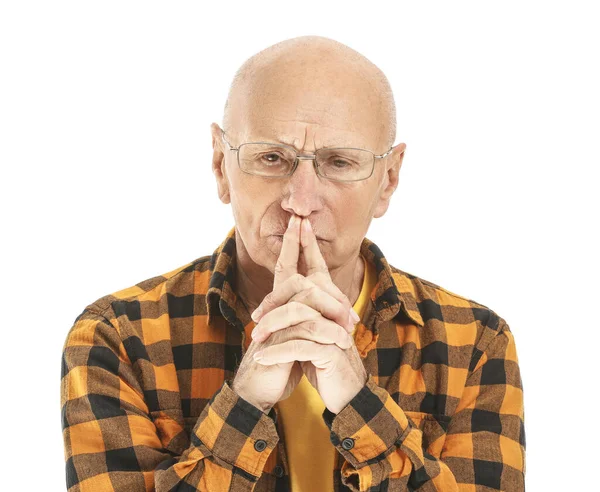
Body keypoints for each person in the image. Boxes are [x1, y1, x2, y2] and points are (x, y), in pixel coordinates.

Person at [60, 35, 525, 491]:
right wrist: (243, 404)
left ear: (389, 179)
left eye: (340, 162)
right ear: (221, 165)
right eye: (271, 157)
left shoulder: (476, 343)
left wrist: (359, 404)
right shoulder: (117, 338)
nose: (300, 201)